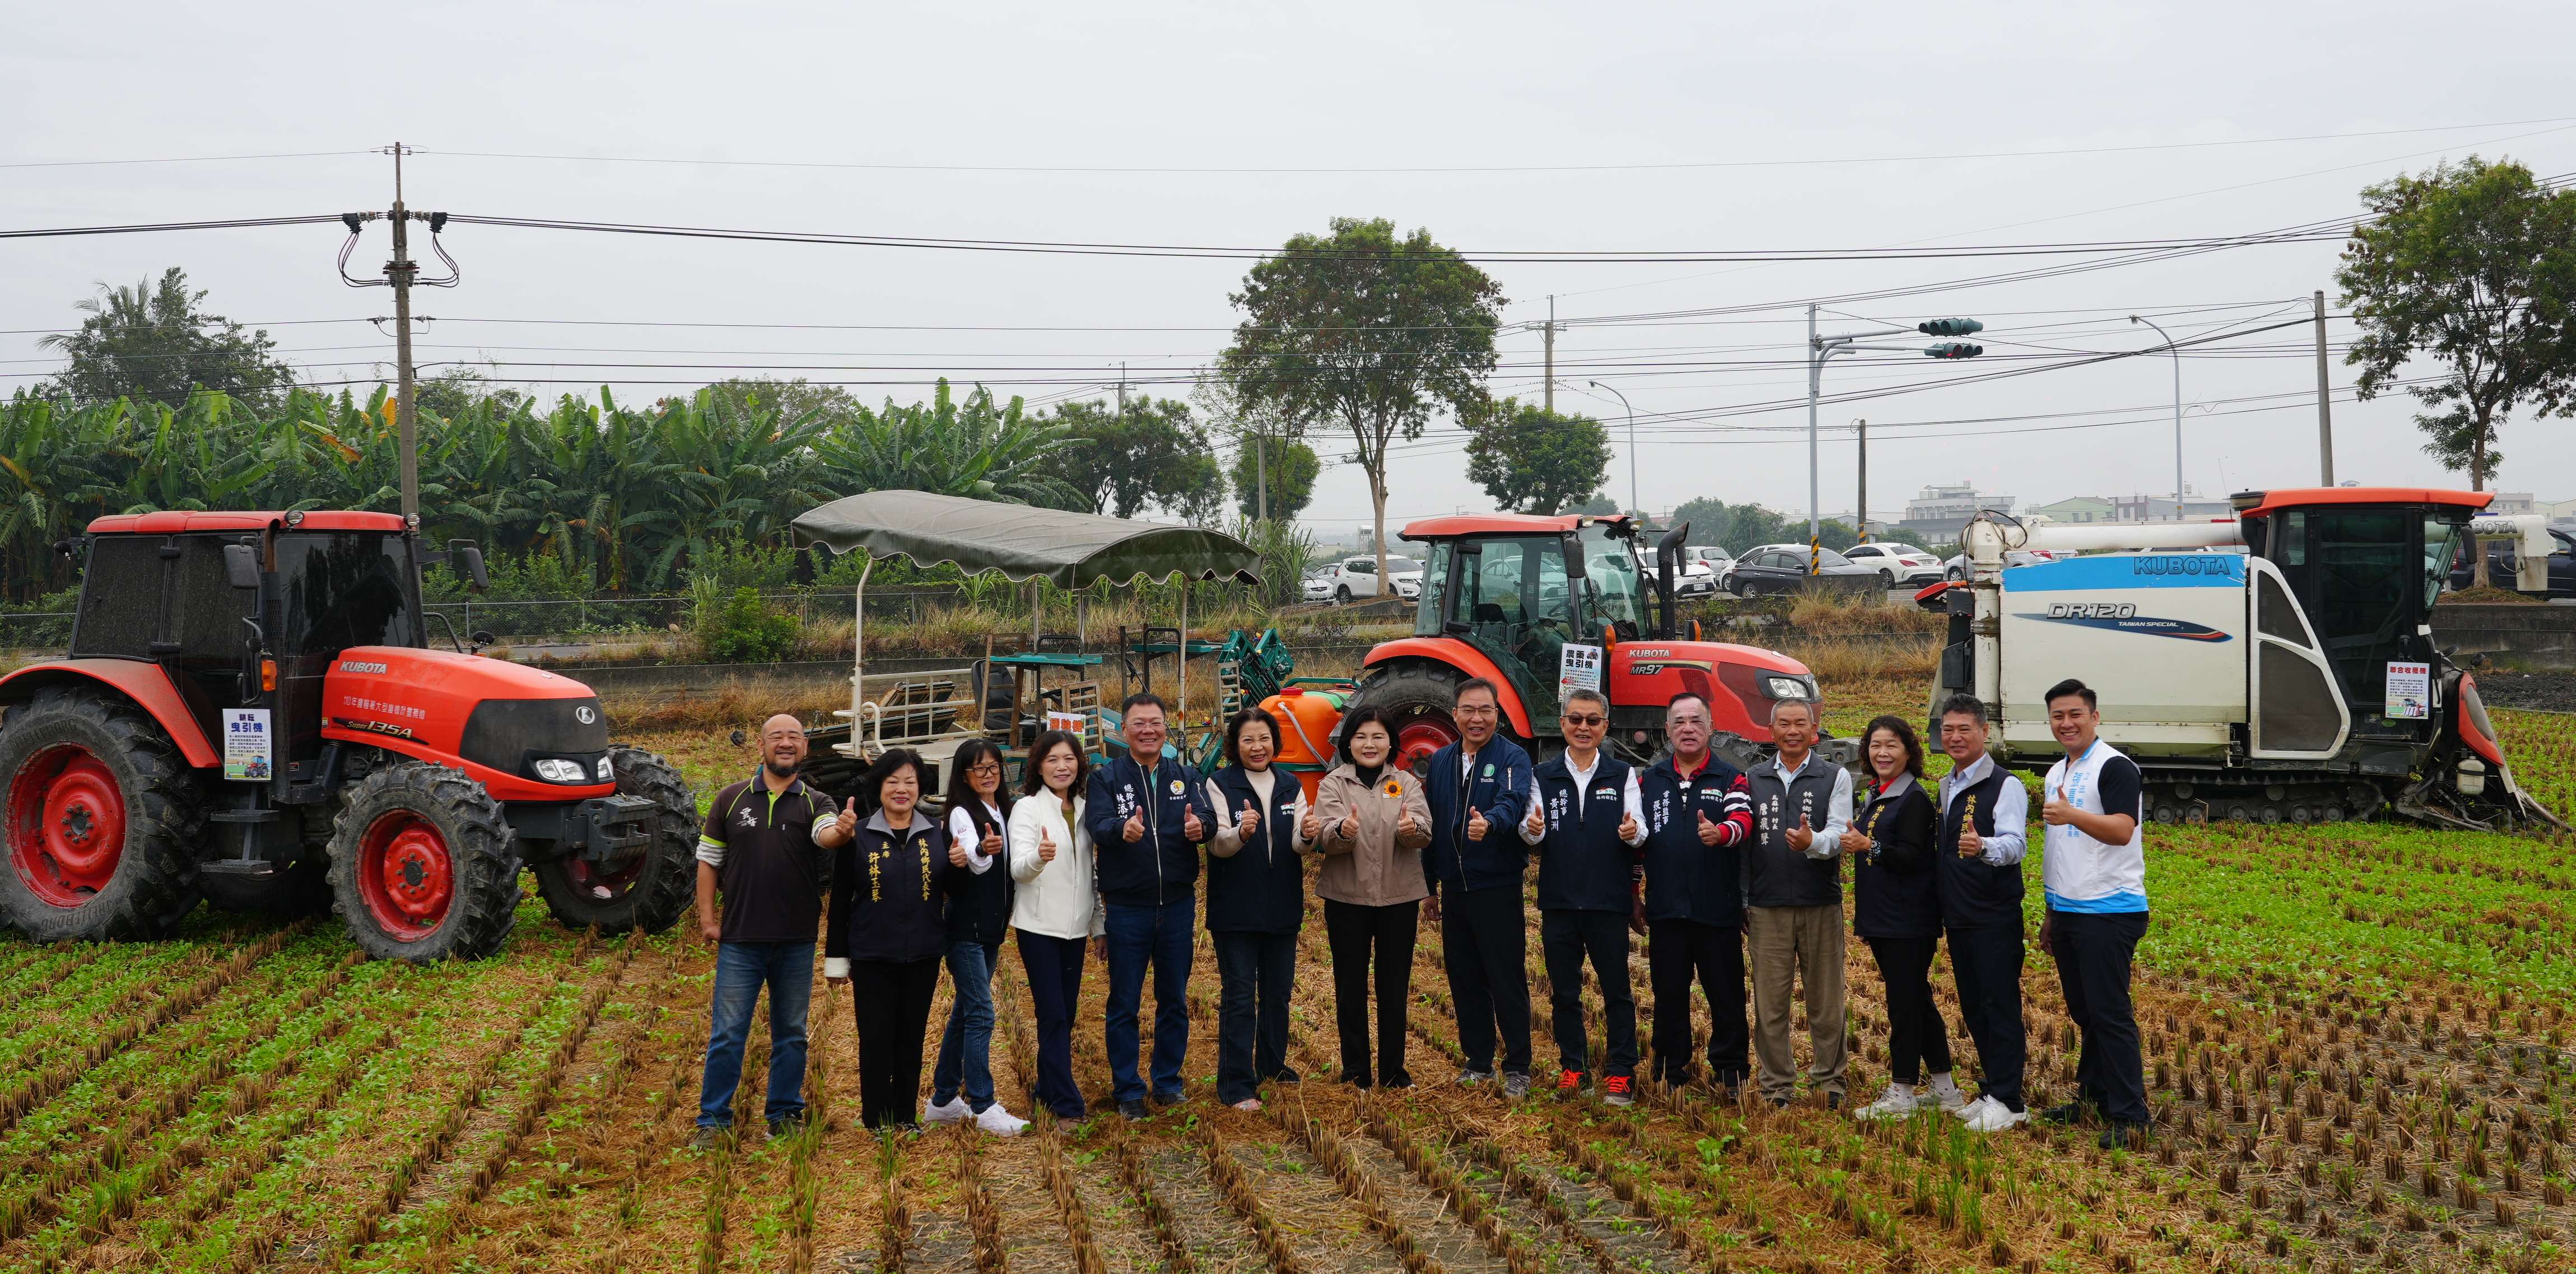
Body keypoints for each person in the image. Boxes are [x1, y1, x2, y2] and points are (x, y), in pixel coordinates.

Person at [691, 714, 849, 1150]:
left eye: (794, 737)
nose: (785, 743)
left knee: (791, 1033)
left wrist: (842, 830)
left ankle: (783, 1114)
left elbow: (826, 836)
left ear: (805, 749)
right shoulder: (729, 799)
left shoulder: (817, 802)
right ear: (760, 745)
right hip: (741, 940)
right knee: (727, 1033)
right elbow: (708, 861)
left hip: (796, 940)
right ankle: (713, 1120)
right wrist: (708, 920)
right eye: (776, 736)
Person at [1084, 693, 1215, 1119]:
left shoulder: (1186, 776)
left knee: (1173, 998)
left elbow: (1209, 818)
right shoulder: (1107, 778)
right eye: (1138, 723)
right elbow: (1097, 825)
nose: (1147, 730)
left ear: (1166, 729)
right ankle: (1127, 1089)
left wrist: (1201, 827)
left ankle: (1167, 1082)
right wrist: (1123, 828)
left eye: (1155, 723)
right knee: (1124, 1001)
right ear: (1124, 730)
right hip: (1127, 908)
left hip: (1177, 904)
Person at [2034, 678, 2151, 1150]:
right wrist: (2049, 911)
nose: (2066, 723)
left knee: (2110, 1012)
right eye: (2058, 716)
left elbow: (2123, 829)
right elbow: (2057, 849)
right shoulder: (2055, 772)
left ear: (2094, 717)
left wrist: (2073, 816)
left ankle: (2131, 1114)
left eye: (2075, 714)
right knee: (2085, 1011)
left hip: (2109, 909)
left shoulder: (2115, 766)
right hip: (2067, 908)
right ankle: (2092, 1096)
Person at [1520, 688, 1646, 1104]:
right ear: (1562, 724)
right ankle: (1573, 1067)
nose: (1583, 727)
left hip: (1607, 901)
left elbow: (1640, 826)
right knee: (1564, 992)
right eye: (1575, 719)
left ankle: (1620, 1071)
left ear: (1605, 726)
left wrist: (1633, 834)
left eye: (1593, 720)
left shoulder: (1621, 774)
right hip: (1558, 900)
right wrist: (1534, 831)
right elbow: (1530, 827)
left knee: (1616, 990)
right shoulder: (1543, 775)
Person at [1842, 716, 1968, 1121]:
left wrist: (1869, 845)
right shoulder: (1878, 794)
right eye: (1875, 745)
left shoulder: (1912, 799)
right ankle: (1945, 1089)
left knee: (1903, 1005)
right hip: (1885, 918)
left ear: (1908, 751)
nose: (1882, 752)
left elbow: (1914, 857)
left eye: (1891, 745)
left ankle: (1901, 1091)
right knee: (1916, 1000)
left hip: (1906, 920)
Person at [1421, 678, 1537, 1096]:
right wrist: (1429, 886)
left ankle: (1518, 1067)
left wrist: (1490, 823)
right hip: (1454, 888)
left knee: (1505, 977)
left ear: (1497, 714)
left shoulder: (1512, 757)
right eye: (1468, 710)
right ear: (1454, 714)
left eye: (1485, 710)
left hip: (1496, 885)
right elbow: (1432, 827)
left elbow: (1513, 800)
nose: (1477, 718)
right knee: (1464, 977)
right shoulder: (1439, 761)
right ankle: (1478, 1061)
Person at [824, 748, 951, 1131]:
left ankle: (904, 1116)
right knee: (876, 1038)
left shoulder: (937, 832)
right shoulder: (857, 835)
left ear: (920, 788)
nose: (901, 789)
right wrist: (836, 958)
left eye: (910, 782)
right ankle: (876, 1117)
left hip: (923, 953)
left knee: (910, 1039)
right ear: (879, 786)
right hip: (872, 953)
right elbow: (841, 898)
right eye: (892, 781)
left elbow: (952, 888)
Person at [1636, 692, 1754, 1095]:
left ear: (1711, 728)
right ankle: (1670, 1070)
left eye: (1696, 721)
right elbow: (1634, 840)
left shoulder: (1730, 778)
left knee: (1726, 995)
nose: (1687, 728)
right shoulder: (1647, 780)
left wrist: (1720, 832)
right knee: (1668, 995)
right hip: (1666, 909)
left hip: (1715, 908)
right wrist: (1634, 891)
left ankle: (1731, 1072)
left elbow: (1742, 818)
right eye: (1679, 721)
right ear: (1667, 729)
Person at [1311, 704, 1433, 1090]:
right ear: (1349, 742)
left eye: (1378, 736)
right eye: (1361, 736)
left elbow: (1423, 831)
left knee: (1393, 986)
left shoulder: (1406, 783)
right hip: (1346, 897)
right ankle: (1355, 1072)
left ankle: (1394, 1072)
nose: (1369, 744)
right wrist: (1342, 831)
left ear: (1391, 742)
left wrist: (1411, 828)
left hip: (1398, 897)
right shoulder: (1334, 783)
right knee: (1350, 986)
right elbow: (1323, 837)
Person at [1205, 707, 1317, 1111]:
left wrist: (1307, 835)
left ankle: (1271, 1064)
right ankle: (1236, 1082)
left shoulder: (1289, 784)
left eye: (1264, 738)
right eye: (1248, 740)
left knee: (1277, 993)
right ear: (1235, 745)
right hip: (1235, 906)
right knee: (1239, 994)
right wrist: (1241, 832)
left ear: (1275, 742)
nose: (1258, 746)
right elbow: (1216, 843)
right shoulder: (1220, 784)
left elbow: (1300, 845)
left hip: (1282, 902)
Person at [1743, 696, 1851, 1109]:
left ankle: (1829, 1081)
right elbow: (1743, 845)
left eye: (1800, 724)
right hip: (1766, 904)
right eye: (1783, 723)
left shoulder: (1833, 776)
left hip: (1819, 901)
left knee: (1825, 1000)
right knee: (1770, 1002)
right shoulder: (1751, 778)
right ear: (1770, 731)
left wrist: (1812, 843)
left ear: (1813, 730)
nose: (1791, 731)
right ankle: (1775, 1086)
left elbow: (1840, 833)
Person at [1931, 693, 2032, 1135]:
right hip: (1960, 914)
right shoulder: (1946, 783)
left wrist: (1984, 846)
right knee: (1974, 1005)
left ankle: (2010, 1100)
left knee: (1999, 1004)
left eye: (1963, 728)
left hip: (1993, 913)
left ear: (1984, 731)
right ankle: (1993, 1090)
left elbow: (2015, 845)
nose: (1954, 737)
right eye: (1947, 729)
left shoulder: (2004, 784)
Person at [925, 738, 1027, 1136]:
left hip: (989, 930)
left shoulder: (1002, 809)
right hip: (965, 929)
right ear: (964, 776)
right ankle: (983, 1104)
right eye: (978, 768)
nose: (988, 774)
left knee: (965, 1013)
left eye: (993, 766)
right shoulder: (961, 814)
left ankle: (943, 1099)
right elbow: (973, 854)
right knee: (982, 1013)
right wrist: (983, 850)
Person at [1008, 730, 1101, 1132]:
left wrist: (1098, 925)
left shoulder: (1086, 808)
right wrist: (1039, 858)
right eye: (1052, 760)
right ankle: (1066, 1104)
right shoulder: (1027, 809)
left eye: (1069, 759)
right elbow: (1017, 868)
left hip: (1076, 926)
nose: (1062, 766)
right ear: (1038, 766)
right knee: (1053, 1014)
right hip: (1039, 925)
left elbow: (1093, 874)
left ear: (1079, 763)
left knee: (1066, 1012)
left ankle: (1046, 1091)